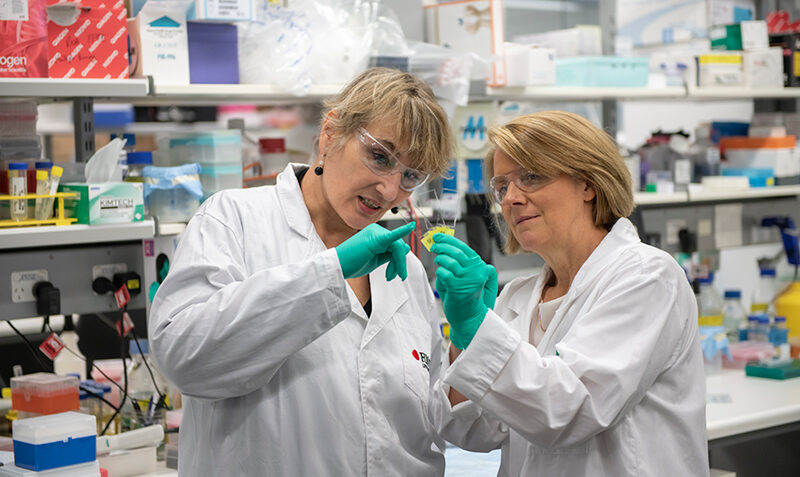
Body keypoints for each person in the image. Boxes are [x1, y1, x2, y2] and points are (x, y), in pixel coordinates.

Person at [148, 67, 455, 476]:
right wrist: (332, 272)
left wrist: (470, 339)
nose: (388, 190)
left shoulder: (407, 272)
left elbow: (423, 424)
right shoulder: (234, 220)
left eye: (410, 176)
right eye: (379, 156)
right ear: (330, 134)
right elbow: (183, 358)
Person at [432, 111, 709, 476]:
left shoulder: (647, 277)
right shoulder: (518, 296)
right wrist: (464, 340)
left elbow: (568, 411)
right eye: (502, 186)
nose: (511, 198)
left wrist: (477, 329)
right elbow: (472, 430)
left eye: (530, 177)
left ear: (588, 184)